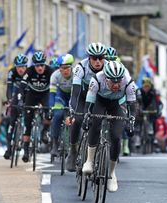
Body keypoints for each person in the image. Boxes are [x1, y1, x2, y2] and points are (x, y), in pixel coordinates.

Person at [82, 61, 136, 192]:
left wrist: (131, 122)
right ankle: (89, 160)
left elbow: (132, 106)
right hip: (100, 101)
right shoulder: (97, 79)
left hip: (117, 104)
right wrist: (87, 116)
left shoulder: (128, 82)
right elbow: (89, 102)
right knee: (95, 124)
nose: (116, 85)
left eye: (119, 81)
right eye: (113, 82)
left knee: (116, 136)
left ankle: (112, 173)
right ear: (106, 78)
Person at [66, 42, 107, 172]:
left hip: (100, 99)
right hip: (83, 98)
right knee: (77, 121)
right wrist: (73, 110)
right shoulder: (80, 68)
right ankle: (73, 151)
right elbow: (75, 92)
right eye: (94, 58)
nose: (98, 61)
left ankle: (100, 155)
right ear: (89, 58)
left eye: (101, 57)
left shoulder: (109, 68)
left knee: (100, 122)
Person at [18, 51, 54, 163]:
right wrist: (20, 100)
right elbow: (22, 86)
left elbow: (55, 87)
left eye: (42, 65)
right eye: (37, 65)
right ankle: (26, 151)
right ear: (34, 65)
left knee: (49, 113)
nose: (40, 68)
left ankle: (45, 131)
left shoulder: (50, 71)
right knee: (27, 123)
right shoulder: (29, 71)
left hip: (45, 94)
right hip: (32, 95)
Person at [4, 53, 28, 160]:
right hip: (16, 94)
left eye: (22, 67)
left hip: (27, 94)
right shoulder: (12, 72)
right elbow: (9, 88)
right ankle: (9, 148)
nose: (20, 69)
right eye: (18, 67)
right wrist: (9, 100)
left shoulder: (29, 73)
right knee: (11, 121)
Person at [49, 54, 74, 157]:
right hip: (61, 96)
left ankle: (74, 145)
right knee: (58, 115)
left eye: (67, 68)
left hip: (73, 95)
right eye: (62, 68)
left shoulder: (77, 74)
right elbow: (52, 94)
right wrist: (51, 108)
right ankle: (55, 144)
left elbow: (78, 94)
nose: (65, 70)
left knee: (75, 118)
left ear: (71, 67)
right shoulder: (55, 76)